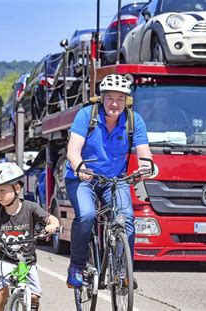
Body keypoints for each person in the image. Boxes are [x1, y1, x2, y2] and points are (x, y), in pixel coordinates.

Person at [64, 74, 153, 288]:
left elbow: (144, 153)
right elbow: (72, 151)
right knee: (87, 215)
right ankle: (76, 266)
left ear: (126, 101)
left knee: (127, 220)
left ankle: (122, 271)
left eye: (120, 99)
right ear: (102, 98)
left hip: (115, 180)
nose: (115, 103)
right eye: (110, 98)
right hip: (83, 177)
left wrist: (147, 166)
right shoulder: (87, 115)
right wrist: (80, 167)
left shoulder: (134, 120)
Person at [0, 162, 60, 311]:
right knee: (3, 290)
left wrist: (53, 225)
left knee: (35, 296)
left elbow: (51, 219)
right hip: (4, 257)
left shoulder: (30, 208)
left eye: (2, 190)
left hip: (27, 258)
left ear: (17, 188)